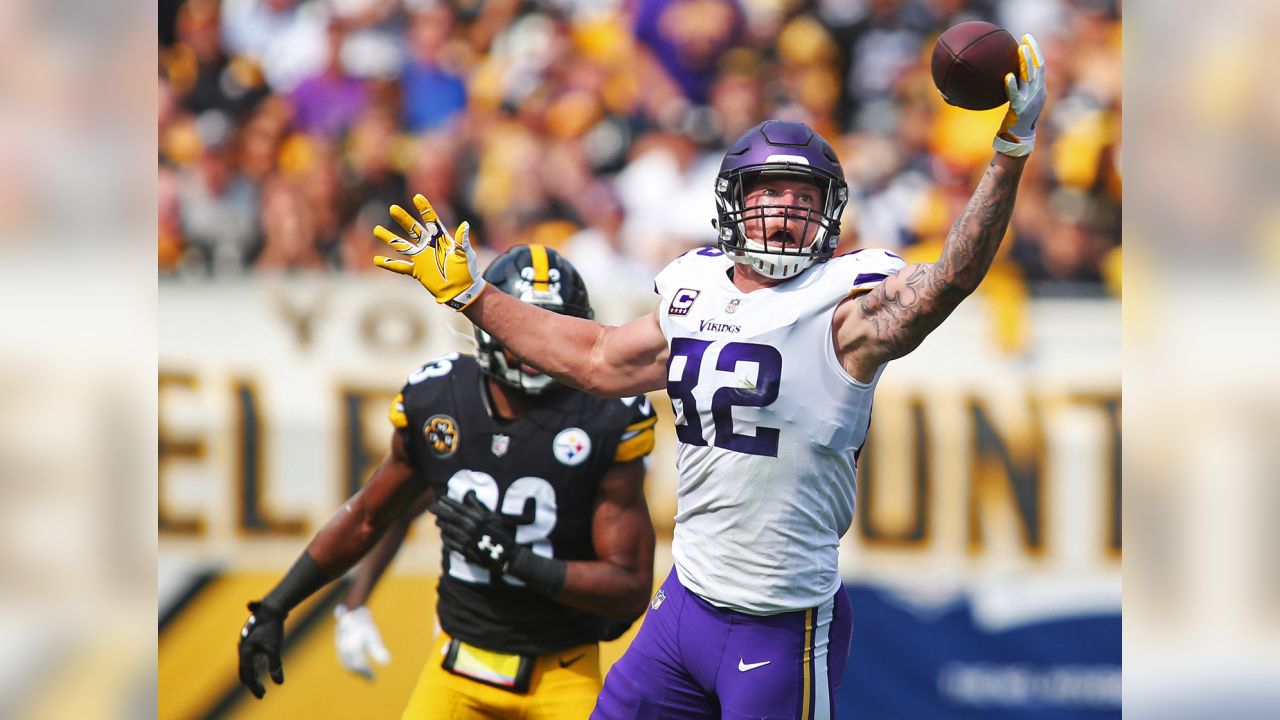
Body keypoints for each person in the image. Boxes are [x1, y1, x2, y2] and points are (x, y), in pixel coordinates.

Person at [370, 35, 1046, 720]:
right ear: (732, 202)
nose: (784, 210)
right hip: (684, 607)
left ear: (830, 210)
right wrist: (473, 298)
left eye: (802, 196)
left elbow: (951, 278)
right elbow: (599, 358)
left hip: (780, 623)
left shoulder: (845, 304)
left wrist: (1009, 152)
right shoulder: (694, 287)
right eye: (769, 192)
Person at [237, 245, 659, 719]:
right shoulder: (441, 397)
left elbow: (629, 586)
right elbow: (370, 516)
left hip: (563, 670)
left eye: (554, 328)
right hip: (457, 667)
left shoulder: (605, 416)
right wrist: (274, 607)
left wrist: (516, 560)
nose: (538, 350)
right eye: (526, 327)